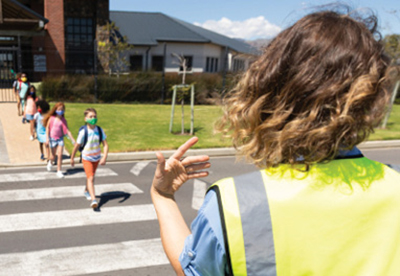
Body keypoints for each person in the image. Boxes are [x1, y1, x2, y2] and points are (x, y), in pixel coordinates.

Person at [151, 9, 400, 276]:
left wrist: (163, 196)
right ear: (370, 97)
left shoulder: (234, 204)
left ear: (271, 87)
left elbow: (193, 271)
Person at [70, 108, 109, 209]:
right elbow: (77, 145)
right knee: (91, 178)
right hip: (87, 158)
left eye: (95, 116)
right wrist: (72, 157)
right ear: (85, 119)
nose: (93, 118)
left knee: (90, 177)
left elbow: (105, 145)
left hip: (96, 157)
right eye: (90, 117)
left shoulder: (99, 130)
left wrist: (104, 157)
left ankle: (86, 191)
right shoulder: (83, 132)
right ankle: (94, 200)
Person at [43, 102, 75, 178]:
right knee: (53, 156)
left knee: (60, 155)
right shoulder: (52, 118)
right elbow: (47, 128)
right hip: (52, 139)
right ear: (55, 109)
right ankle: (50, 163)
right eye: (59, 109)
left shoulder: (63, 120)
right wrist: (47, 139)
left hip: (60, 139)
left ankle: (59, 171)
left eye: (62, 109)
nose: (60, 111)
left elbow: (67, 131)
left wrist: (73, 141)